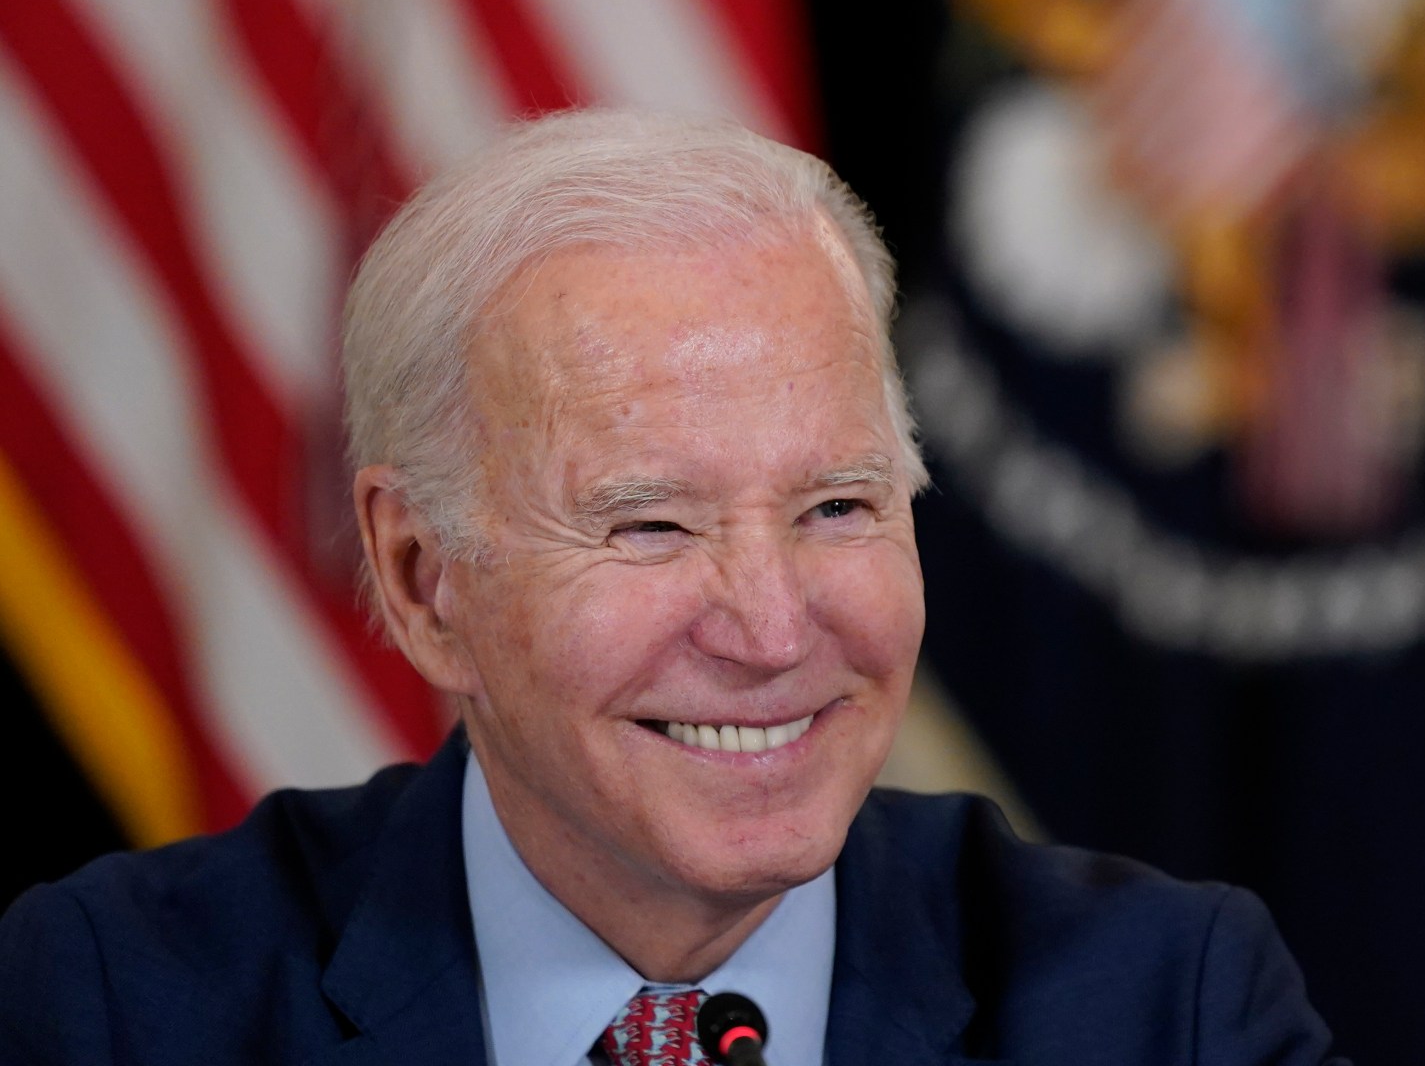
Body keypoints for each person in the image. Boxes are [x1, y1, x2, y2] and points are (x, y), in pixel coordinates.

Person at [0, 108, 1345, 1066]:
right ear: (422, 582)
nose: (769, 627)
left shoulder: (1167, 1012)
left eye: (836, 507)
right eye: (649, 526)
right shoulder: (115, 1006)